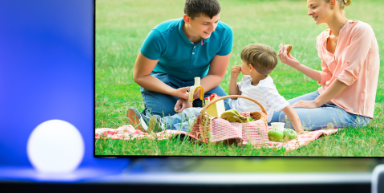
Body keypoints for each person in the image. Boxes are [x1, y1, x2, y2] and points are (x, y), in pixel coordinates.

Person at [127, 44, 304, 134]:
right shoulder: (250, 78)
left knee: (199, 118)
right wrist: (234, 77)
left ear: (250, 67)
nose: (240, 64)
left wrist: (299, 131)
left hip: (244, 121)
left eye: (242, 62)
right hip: (232, 111)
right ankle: (158, 123)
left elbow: (287, 108)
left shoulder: (267, 88)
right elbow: (234, 95)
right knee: (197, 112)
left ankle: (162, 126)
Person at [272, 0, 379, 130]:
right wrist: (296, 64)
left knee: (287, 119)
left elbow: (348, 74)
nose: (309, 12)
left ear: (332, 3)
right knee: (271, 113)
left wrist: (316, 103)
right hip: (326, 97)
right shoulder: (322, 38)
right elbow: (328, 77)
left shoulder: (361, 30)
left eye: (314, 7)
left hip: (351, 111)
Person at [132, 0, 233, 117]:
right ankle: (147, 118)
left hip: (200, 83)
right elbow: (140, 76)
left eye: (216, 21)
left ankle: (194, 113)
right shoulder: (160, 35)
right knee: (164, 115)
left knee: (227, 113)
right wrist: (175, 92)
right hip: (163, 81)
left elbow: (215, 75)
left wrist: (190, 95)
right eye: (206, 23)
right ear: (187, 19)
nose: (213, 28)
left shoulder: (224, 33)